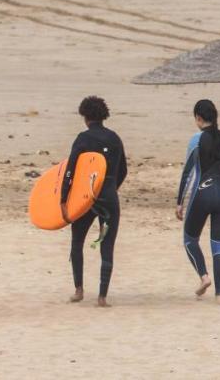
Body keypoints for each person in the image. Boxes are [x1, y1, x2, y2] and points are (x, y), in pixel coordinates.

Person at [60, 95, 128, 307]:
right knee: (107, 246)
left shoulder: (83, 139)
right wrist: (109, 188)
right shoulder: (115, 138)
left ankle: (79, 290)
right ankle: (102, 297)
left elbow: (70, 171)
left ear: (85, 116)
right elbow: (123, 170)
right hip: (108, 196)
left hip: (85, 198)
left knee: (77, 241)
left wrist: (64, 199)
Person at [176, 98, 220, 302]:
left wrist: (180, 202)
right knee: (219, 247)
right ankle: (219, 295)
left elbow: (187, 174)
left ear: (199, 118)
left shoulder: (197, 140)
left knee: (189, 239)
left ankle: (204, 277)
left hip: (203, 194)